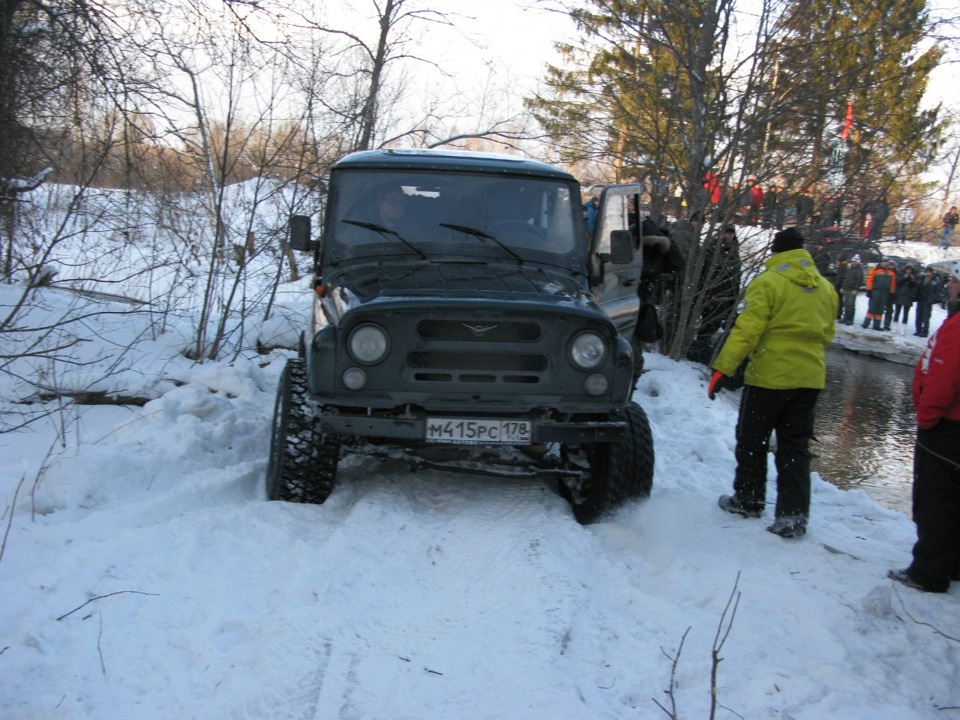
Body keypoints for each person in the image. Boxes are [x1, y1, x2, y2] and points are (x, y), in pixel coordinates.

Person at [707, 227, 838, 539]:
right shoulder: (826, 288)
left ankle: (748, 500)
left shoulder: (768, 282)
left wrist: (722, 369)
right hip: (810, 378)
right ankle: (792, 516)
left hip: (769, 377)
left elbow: (746, 331)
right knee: (795, 447)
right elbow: (827, 334)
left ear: (776, 252)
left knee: (752, 440)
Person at [888, 261, 960, 593]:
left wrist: (926, 418)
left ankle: (929, 571)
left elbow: (945, 379)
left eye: (954, 282)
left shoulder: (958, 326)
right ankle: (951, 563)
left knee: (936, 498)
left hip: (946, 428)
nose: (949, 287)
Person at [694, 225, 742, 345]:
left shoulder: (734, 251)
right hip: (713, 293)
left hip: (727, 294)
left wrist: (734, 296)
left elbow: (736, 275)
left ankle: (704, 345)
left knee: (716, 323)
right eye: (726, 233)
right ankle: (700, 345)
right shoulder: (713, 249)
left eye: (731, 233)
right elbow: (705, 271)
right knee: (708, 322)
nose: (728, 236)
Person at [863, 260, 896, 331]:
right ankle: (866, 323)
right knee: (872, 307)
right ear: (881, 263)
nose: (885, 263)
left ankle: (877, 325)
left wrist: (891, 293)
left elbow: (892, 284)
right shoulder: (875, 270)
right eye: (884, 262)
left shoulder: (891, 273)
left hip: (885, 293)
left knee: (880, 309)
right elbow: (869, 280)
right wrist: (869, 290)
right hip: (875, 291)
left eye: (887, 262)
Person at [914, 267, 942, 338]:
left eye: (929, 272)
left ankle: (925, 332)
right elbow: (917, 287)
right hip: (920, 299)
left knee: (926, 317)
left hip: (928, 301)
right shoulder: (921, 279)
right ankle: (918, 330)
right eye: (926, 272)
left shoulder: (935, 280)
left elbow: (937, 291)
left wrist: (932, 299)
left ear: (932, 273)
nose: (927, 273)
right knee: (918, 316)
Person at [890, 264, 918, 334]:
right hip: (900, 295)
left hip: (908, 296)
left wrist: (912, 280)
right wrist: (904, 278)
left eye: (910, 269)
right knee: (897, 312)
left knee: (906, 313)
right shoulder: (901, 274)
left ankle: (903, 329)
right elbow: (898, 283)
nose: (908, 271)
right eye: (907, 269)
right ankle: (894, 327)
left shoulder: (914, 276)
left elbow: (915, 286)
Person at [839, 254, 864, 325]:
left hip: (852, 289)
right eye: (853, 261)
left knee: (851, 305)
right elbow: (845, 279)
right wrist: (842, 287)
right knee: (846, 304)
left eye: (855, 261)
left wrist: (856, 289)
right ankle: (845, 318)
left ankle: (850, 319)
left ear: (858, 262)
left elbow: (859, 281)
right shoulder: (849, 269)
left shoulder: (859, 270)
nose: (854, 263)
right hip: (846, 288)